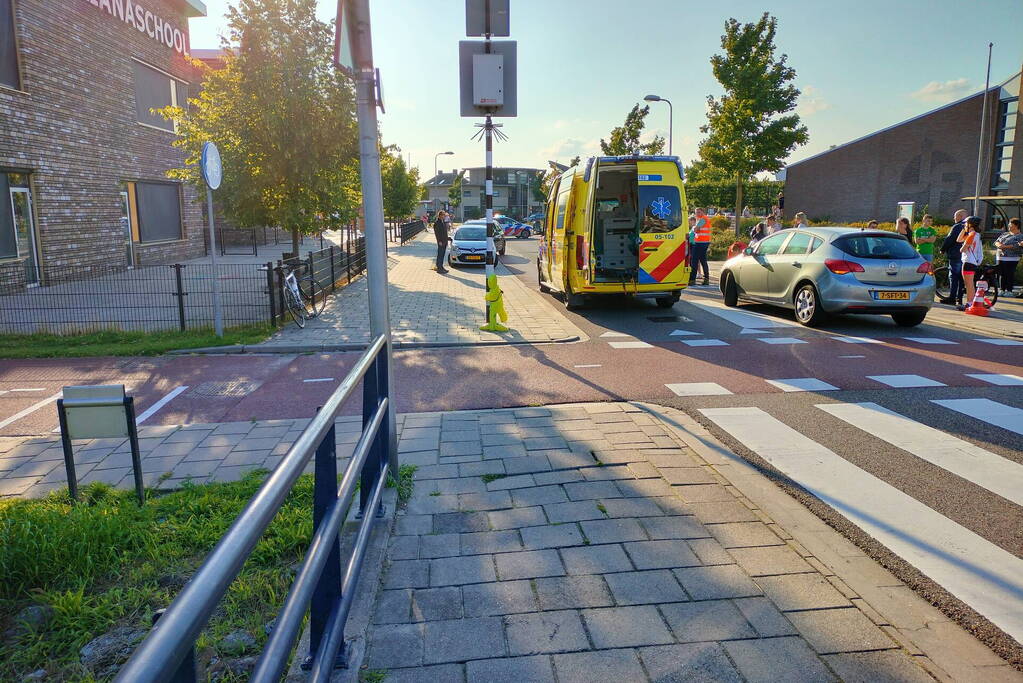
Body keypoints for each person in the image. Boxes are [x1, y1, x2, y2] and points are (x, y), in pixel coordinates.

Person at [941, 209, 969, 307]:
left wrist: (942, 249)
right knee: (961, 278)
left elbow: (950, 239)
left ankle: (952, 298)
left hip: (955, 254)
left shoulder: (957, 226)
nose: (954, 218)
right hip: (965, 256)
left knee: (953, 276)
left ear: (961, 216)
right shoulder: (970, 227)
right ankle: (959, 298)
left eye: (955, 216)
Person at [957, 215, 984, 310]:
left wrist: (966, 230)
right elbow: (959, 239)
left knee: (968, 285)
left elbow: (962, 249)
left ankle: (969, 304)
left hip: (968, 262)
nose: (964, 225)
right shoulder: (976, 235)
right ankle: (971, 303)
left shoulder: (971, 235)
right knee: (970, 284)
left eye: (965, 224)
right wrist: (964, 229)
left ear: (970, 225)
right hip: (973, 262)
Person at [994, 217, 1022, 297]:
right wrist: (999, 245)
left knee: (1009, 274)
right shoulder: (1005, 234)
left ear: (1016, 225)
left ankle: (1009, 291)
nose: (1009, 225)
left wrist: (1004, 247)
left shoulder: (1020, 236)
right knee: (1001, 274)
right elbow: (996, 242)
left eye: (1011, 224)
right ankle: (1002, 290)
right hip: (1000, 257)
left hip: (1012, 258)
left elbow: (1018, 245)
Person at [689, 208, 711, 286]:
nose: (697, 214)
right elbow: (696, 230)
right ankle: (706, 279)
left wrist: (695, 228)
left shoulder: (703, 219)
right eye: (696, 212)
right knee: (703, 260)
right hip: (703, 242)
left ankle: (692, 280)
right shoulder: (702, 219)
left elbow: (695, 229)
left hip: (700, 243)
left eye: (699, 212)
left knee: (694, 260)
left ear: (703, 212)